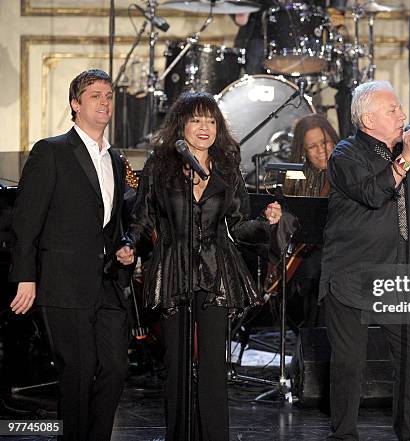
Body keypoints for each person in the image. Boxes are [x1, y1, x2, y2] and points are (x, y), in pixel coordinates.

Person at [115, 92, 283, 441]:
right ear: (182, 125)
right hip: (174, 267)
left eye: (210, 120)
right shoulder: (160, 167)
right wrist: (130, 246)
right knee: (176, 365)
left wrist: (266, 223)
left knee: (212, 367)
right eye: (196, 120)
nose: (204, 127)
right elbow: (142, 221)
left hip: (217, 270)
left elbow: (237, 226)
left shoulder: (226, 167)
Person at [9, 69, 131, 441]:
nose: (104, 102)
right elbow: (26, 221)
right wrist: (25, 276)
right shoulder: (52, 151)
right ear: (75, 104)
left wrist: (126, 248)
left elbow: (113, 222)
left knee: (114, 368)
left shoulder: (115, 158)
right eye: (95, 95)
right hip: (64, 282)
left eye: (108, 95)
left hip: (107, 282)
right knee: (77, 374)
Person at [319, 80, 410, 441]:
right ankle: (344, 436)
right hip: (351, 275)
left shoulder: (408, 157)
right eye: (393, 110)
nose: (402, 115)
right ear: (368, 120)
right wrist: (404, 158)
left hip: (396, 274)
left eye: (400, 109)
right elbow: (373, 193)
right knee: (349, 368)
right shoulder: (345, 154)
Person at [279, 114, 339, 328]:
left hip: (340, 256)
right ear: (303, 151)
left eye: (324, 142)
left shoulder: (347, 171)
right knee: (311, 273)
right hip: (306, 258)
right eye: (312, 146)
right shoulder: (296, 176)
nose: (321, 150)